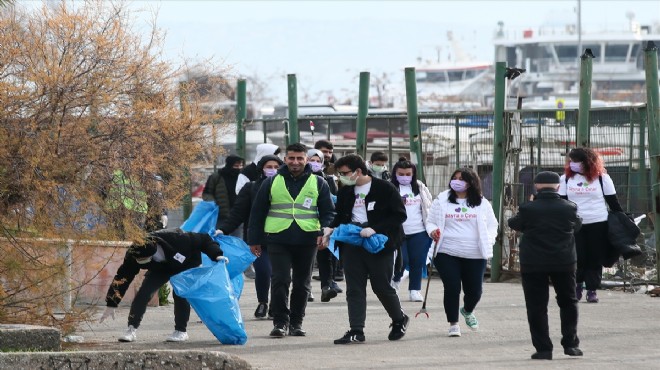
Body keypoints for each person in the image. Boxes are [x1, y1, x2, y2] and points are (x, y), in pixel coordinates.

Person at [248, 143, 335, 338]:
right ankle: (280, 322)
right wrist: (254, 240)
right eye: (291, 158)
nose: (295, 162)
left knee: (302, 283)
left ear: (306, 160)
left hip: (307, 239)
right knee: (280, 280)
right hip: (278, 238)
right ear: (285, 159)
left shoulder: (319, 183)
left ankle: (296, 322)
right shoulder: (270, 182)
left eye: (299, 159)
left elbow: (329, 212)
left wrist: (325, 231)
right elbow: (257, 213)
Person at [327, 154, 409, 345]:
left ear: (358, 171)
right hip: (352, 243)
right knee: (354, 288)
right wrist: (330, 229)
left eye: (345, 173)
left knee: (381, 286)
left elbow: (399, 215)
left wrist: (375, 229)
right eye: (339, 174)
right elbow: (340, 216)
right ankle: (356, 330)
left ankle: (399, 319)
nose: (342, 177)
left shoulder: (384, 188)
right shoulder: (346, 192)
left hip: (379, 243)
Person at [99, 228, 226, 343]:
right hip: (160, 268)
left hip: (186, 262)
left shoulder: (177, 238)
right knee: (144, 293)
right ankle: (131, 329)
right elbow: (123, 277)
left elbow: (204, 239)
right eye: (139, 261)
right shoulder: (134, 252)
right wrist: (112, 303)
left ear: (153, 251)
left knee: (179, 293)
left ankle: (181, 331)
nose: (140, 263)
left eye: (143, 260)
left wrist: (216, 254)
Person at [508, 171, 584, 360]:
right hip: (564, 261)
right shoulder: (569, 207)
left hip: (533, 262)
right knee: (568, 302)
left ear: (536, 186)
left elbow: (514, 223)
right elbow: (577, 226)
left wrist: (530, 205)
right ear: (558, 186)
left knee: (536, 306)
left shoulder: (528, 208)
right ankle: (570, 344)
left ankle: (543, 349)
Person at [426, 167, 498, 337]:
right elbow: (430, 222)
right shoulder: (442, 200)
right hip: (446, 251)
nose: (457, 181)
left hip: (475, 253)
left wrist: (489, 240)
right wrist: (433, 231)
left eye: (462, 179)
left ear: (471, 183)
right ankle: (453, 323)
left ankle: (467, 310)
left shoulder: (482, 203)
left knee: (475, 291)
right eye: (455, 178)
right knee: (452, 287)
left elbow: (492, 225)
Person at [216, 155, 283, 319]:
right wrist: (223, 230)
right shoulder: (251, 188)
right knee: (263, 271)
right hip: (258, 240)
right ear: (261, 168)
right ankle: (263, 302)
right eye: (269, 166)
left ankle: (277, 305)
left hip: (282, 238)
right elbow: (237, 213)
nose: (273, 170)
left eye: (276, 167)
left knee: (280, 274)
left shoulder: (286, 188)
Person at [559, 147, 623, 304]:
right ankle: (578, 286)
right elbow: (561, 202)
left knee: (595, 257)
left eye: (576, 161)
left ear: (587, 162)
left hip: (598, 222)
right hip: (575, 224)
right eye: (571, 161)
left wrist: (623, 219)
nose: (572, 164)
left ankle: (592, 289)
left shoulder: (602, 179)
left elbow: (613, 202)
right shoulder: (566, 179)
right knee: (578, 256)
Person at [390, 157, 433, 302]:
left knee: (418, 261)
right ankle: (395, 281)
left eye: (408, 174)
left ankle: (414, 290)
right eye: (401, 174)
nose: (404, 177)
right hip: (398, 231)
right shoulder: (390, 187)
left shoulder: (419, 187)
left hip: (419, 231)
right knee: (402, 260)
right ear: (395, 173)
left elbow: (428, 205)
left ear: (413, 174)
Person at [307, 148, 342, 302]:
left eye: (317, 161)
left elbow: (333, 201)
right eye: (311, 160)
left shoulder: (327, 179)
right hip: (305, 222)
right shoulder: (300, 178)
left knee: (325, 255)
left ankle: (326, 287)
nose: (314, 163)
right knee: (306, 259)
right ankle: (306, 289)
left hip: (323, 222)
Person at [201, 154, 244, 230]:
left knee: (237, 239)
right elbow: (207, 193)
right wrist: (214, 204)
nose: (239, 168)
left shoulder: (242, 178)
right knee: (220, 237)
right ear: (229, 165)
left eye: (241, 166)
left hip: (238, 215)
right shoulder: (216, 177)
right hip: (221, 215)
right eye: (236, 166)